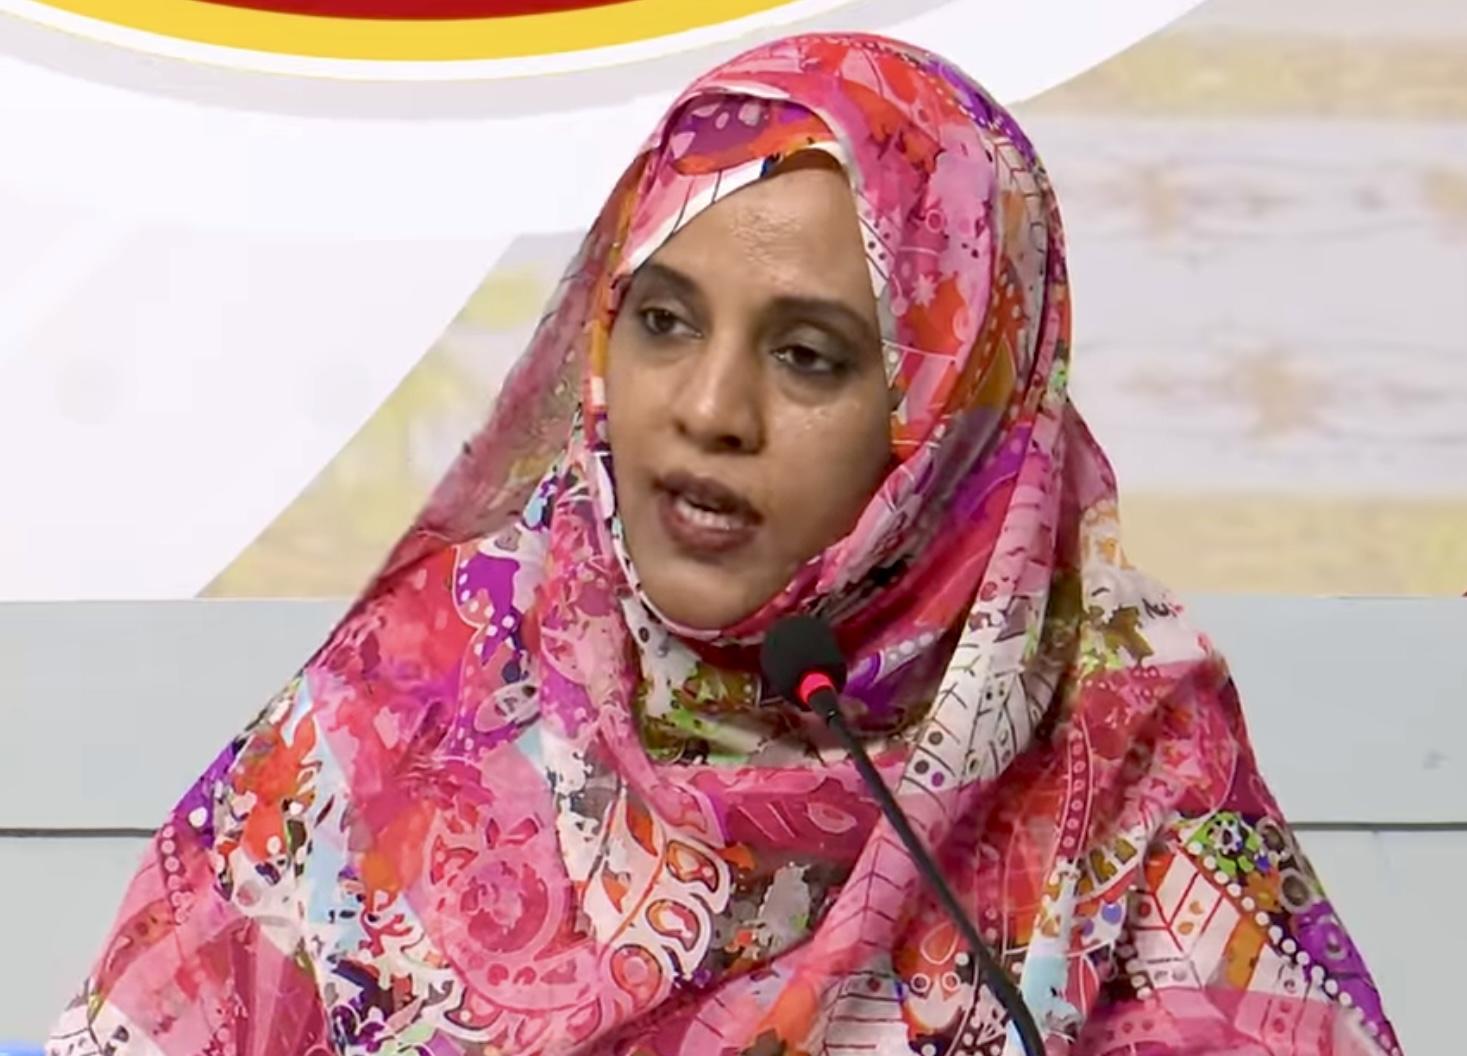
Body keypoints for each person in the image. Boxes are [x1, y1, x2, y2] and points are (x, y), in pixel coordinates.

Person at [47, 33, 1399, 1056]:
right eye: (664, 321)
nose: (706, 410)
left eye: (808, 356)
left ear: (953, 415)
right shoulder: (400, 702)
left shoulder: (1123, 748)